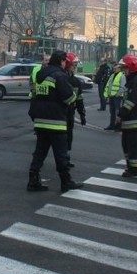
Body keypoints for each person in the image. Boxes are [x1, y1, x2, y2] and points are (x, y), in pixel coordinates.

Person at [27, 50, 82, 193]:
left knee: (39, 152)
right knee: (61, 154)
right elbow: (69, 98)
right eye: (65, 61)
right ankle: (66, 181)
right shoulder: (59, 75)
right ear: (61, 61)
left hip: (40, 120)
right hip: (56, 121)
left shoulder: (40, 75)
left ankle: (33, 181)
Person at [117, 55, 137, 177]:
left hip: (134, 120)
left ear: (131, 68)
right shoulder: (133, 81)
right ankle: (131, 167)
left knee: (133, 147)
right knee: (127, 146)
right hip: (131, 120)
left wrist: (120, 114)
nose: (124, 71)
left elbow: (130, 102)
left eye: (125, 68)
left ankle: (135, 170)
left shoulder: (135, 82)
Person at [64, 52, 87, 167]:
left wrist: (82, 114)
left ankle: (66, 158)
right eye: (73, 65)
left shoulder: (76, 81)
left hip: (69, 113)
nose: (75, 67)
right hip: (60, 113)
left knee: (68, 136)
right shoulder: (61, 78)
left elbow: (79, 98)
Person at [104, 61, 126, 131]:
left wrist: (117, 94)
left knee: (118, 112)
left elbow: (123, 87)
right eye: (114, 68)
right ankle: (112, 125)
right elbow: (108, 86)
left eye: (116, 68)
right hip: (111, 96)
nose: (114, 69)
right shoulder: (112, 75)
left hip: (117, 97)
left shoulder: (122, 76)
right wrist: (106, 95)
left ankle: (118, 126)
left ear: (120, 68)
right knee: (112, 112)